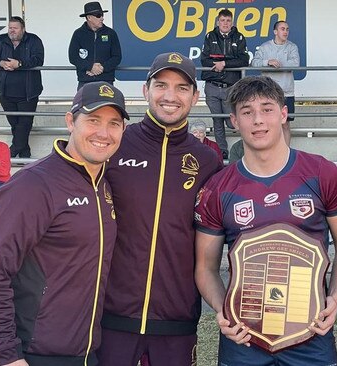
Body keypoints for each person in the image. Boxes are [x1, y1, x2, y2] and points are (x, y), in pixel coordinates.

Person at [194, 76, 337, 365]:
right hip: (244, 336)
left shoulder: (323, 174)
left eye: (267, 109)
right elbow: (205, 266)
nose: (258, 120)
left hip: (309, 333)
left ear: (283, 114)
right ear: (234, 120)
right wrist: (225, 310)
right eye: (247, 112)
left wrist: (334, 299)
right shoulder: (217, 189)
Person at [0, 81, 128, 366]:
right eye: (93, 120)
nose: (103, 133)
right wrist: (8, 356)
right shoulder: (32, 184)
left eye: (114, 123)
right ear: (71, 121)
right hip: (32, 355)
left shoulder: (104, 184)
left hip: (85, 352)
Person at [97, 52, 221, 366]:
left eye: (181, 88)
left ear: (195, 96)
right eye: (161, 85)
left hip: (176, 321)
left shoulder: (208, 161)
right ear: (145, 90)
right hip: (111, 317)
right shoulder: (115, 145)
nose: (170, 96)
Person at [0, 16, 44, 158]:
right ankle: (24, 152)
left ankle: (11, 152)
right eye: (10, 27)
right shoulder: (0, 40)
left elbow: (38, 59)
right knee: (15, 124)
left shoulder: (34, 40)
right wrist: (1, 63)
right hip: (6, 92)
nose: (12, 30)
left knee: (24, 123)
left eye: (15, 28)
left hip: (28, 92)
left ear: (23, 29)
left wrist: (19, 64)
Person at [200, 8, 249, 159]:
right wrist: (222, 62)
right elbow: (204, 59)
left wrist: (224, 63)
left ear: (232, 22)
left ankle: (244, 147)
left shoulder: (239, 37)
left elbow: (244, 60)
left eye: (228, 21)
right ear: (218, 22)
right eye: (222, 20)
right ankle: (223, 151)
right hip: (212, 85)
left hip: (231, 86)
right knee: (217, 119)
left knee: (231, 120)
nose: (225, 23)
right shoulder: (210, 36)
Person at [251, 20, 300, 144]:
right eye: (282, 29)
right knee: (268, 124)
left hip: (286, 92)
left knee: (285, 125)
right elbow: (254, 63)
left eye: (287, 29)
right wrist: (267, 62)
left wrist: (278, 64)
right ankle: (271, 151)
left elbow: (295, 64)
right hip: (268, 93)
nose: (286, 32)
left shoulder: (292, 47)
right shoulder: (265, 47)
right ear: (275, 32)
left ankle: (286, 154)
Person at [69, 1, 122, 90]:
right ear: (89, 17)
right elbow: (73, 57)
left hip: (106, 81)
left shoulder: (111, 33)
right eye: (98, 15)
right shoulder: (78, 34)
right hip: (85, 81)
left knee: (106, 104)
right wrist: (90, 67)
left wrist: (102, 68)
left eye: (102, 15)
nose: (102, 18)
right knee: (85, 104)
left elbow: (117, 57)